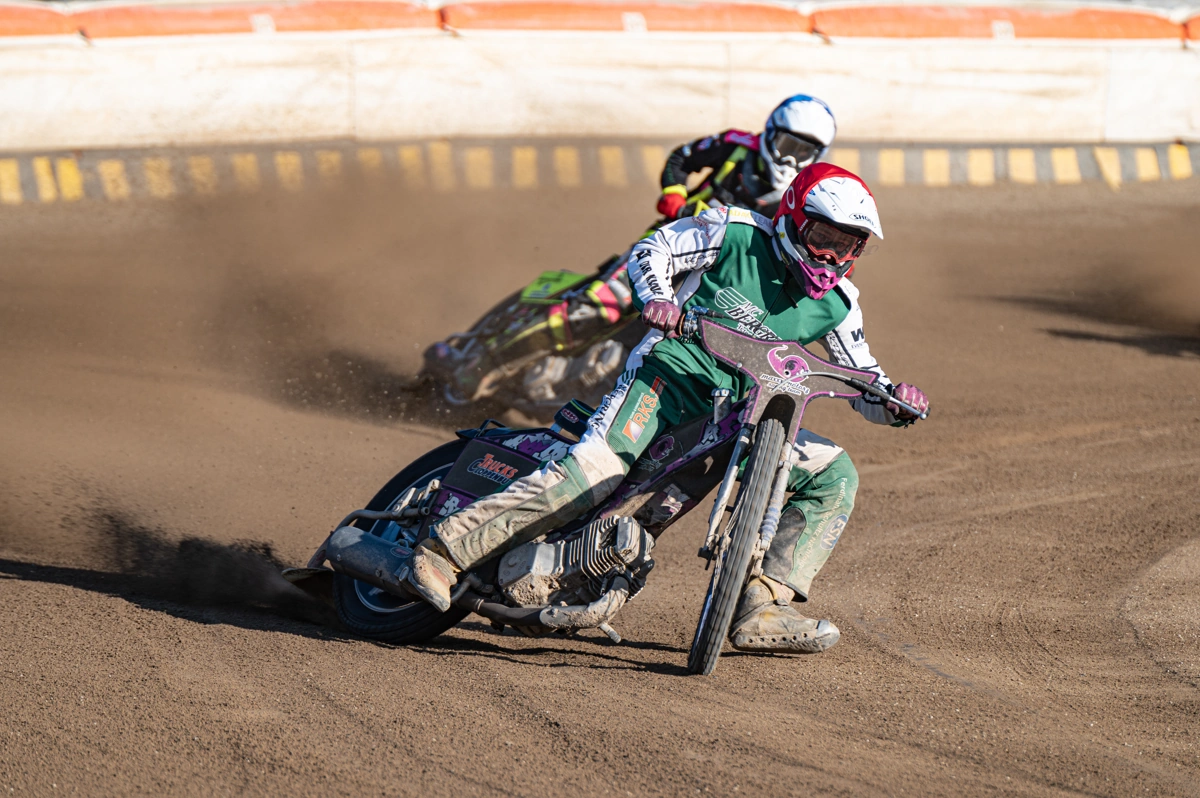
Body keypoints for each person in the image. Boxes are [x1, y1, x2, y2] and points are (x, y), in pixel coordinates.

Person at [402, 164, 929, 655]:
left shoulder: (839, 304)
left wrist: (896, 401)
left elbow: (865, 381)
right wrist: (659, 298)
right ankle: (443, 553)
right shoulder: (733, 230)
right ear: (792, 220)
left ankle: (762, 605)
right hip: (667, 378)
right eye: (823, 240)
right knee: (596, 472)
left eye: (848, 247)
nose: (832, 258)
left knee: (834, 475)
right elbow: (652, 250)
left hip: (741, 416)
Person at [655, 94, 838, 221]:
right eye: (787, 146)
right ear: (772, 133)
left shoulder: (809, 190)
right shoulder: (734, 145)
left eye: (804, 152)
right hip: (678, 231)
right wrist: (674, 194)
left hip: (738, 267)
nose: (791, 160)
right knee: (630, 270)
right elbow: (682, 157)